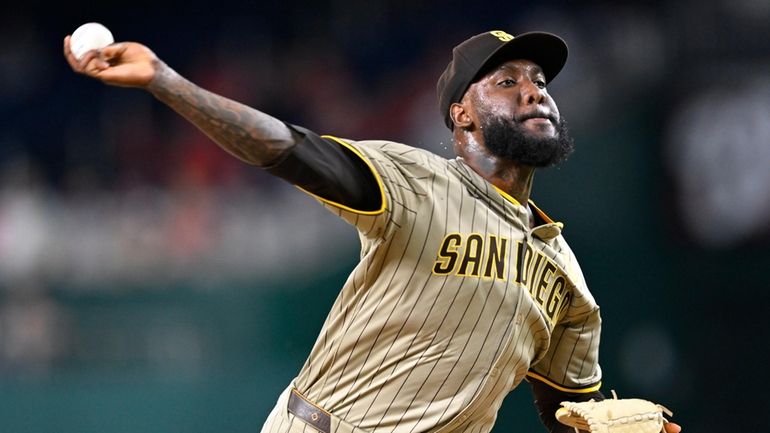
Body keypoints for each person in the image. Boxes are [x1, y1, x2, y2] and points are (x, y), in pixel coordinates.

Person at [64, 29, 681, 433]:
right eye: (506, 81)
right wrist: (167, 82)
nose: (534, 93)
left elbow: (567, 412)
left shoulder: (566, 277)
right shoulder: (414, 180)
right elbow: (289, 147)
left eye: (540, 82)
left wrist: (596, 421)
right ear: (460, 115)